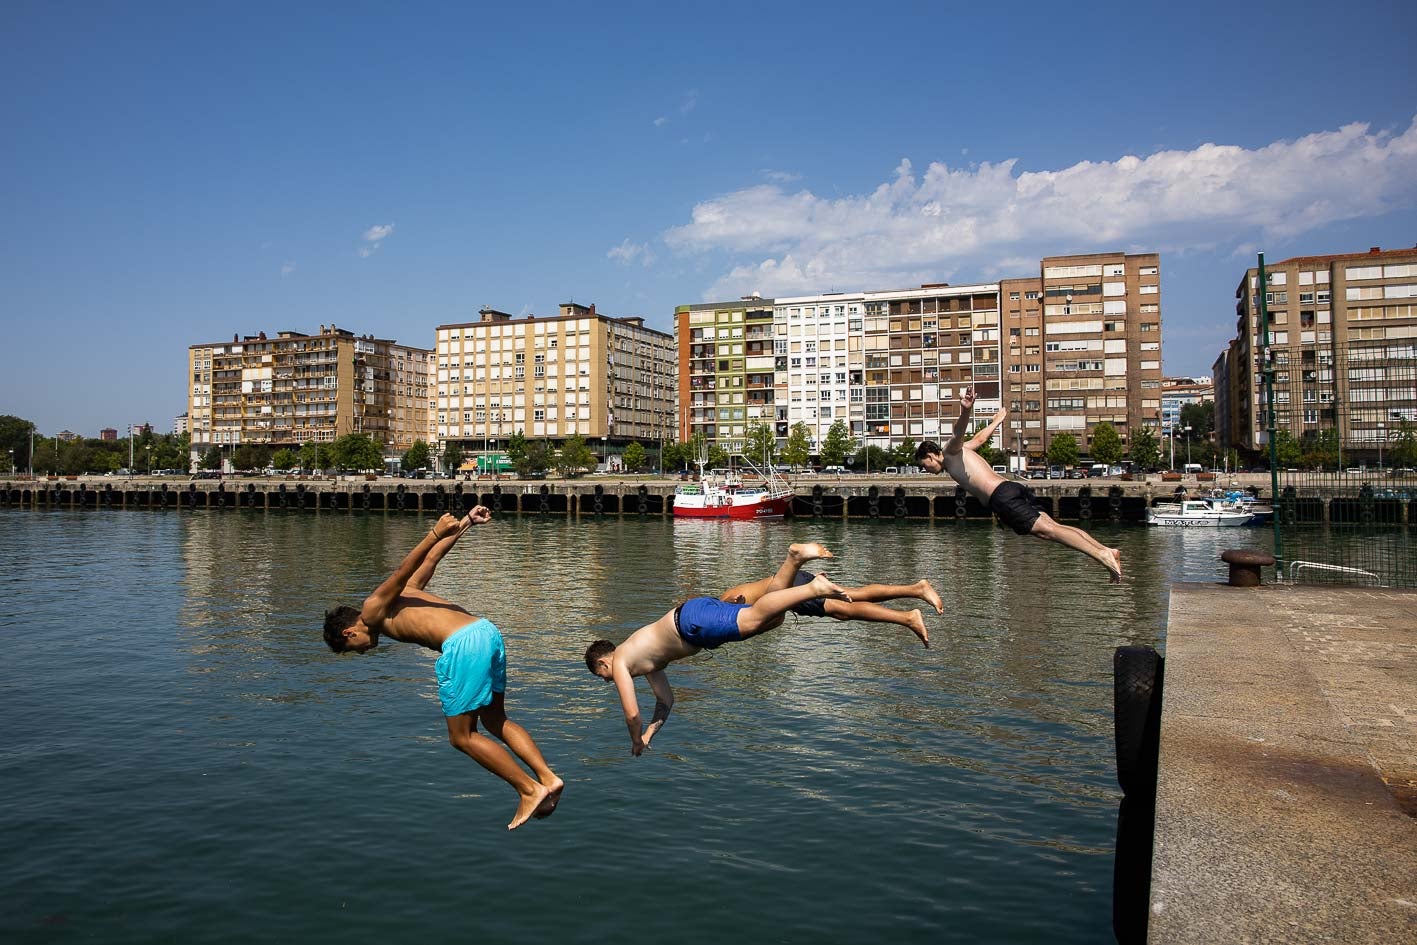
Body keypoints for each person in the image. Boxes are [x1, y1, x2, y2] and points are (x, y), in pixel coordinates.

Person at [323, 509, 563, 830]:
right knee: (494, 719)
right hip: (486, 632)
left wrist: (435, 532)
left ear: (347, 634)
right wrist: (465, 523)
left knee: (461, 737)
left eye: (353, 649)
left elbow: (400, 570)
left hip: (463, 645)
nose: (363, 651)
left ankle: (530, 789)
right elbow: (430, 562)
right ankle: (548, 776)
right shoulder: (408, 594)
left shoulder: (372, 610)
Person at [584, 544, 853, 756]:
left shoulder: (620, 663)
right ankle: (795, 564)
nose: (607, 681)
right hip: (693, 616)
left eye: (601, 676)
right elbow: (666, 701)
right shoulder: (644, 662)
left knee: (756, 620)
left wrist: (634, 740)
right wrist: (648, 735)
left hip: (691, 625)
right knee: (770, 620)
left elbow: (632, 714)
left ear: (603, 663)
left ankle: (807, 579)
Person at [915, 388, 1122, 582]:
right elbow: (980, 438)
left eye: (924, 465)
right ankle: (1106, 550)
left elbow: (957, 432)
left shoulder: (950, 452)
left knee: (1047, 532)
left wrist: (966, 410)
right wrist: (996, 421)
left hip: (1001, 497)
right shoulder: (961, 452)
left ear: (931, 455)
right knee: (1055, 527)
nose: (926, 470)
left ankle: (1101, 555)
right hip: (1011, 488)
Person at [718, 543, 941, 648]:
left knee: (845, 609)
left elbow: (739, 603)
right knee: (856, 596)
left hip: (788, 589)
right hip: (790, 583)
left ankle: (908, 618)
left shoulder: (720, 611)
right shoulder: (718, 606)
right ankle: (916, 590)